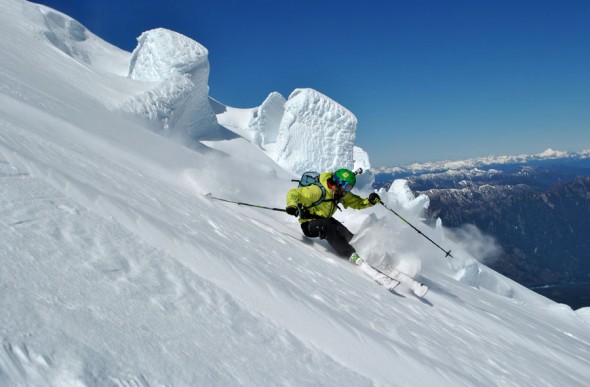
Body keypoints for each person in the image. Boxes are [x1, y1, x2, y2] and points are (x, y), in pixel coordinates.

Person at [285, 168, 381, 265]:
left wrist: (370, 201)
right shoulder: (317, 191)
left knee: (344, 233)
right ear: (338, 183)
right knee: (327, 226)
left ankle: (364, 252)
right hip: (309, 224)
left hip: (325, 220)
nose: (347, 191)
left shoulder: (340, 193)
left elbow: (357, 202)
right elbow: (294, 193)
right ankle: (351, 255)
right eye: (346, 187)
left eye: (349, 188)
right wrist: (292, 206)